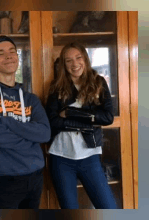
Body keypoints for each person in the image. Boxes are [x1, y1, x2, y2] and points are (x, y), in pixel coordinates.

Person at [0, 35, 51, 209]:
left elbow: (44, 133)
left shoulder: (30, 99)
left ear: (17, 58)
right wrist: (30, 141)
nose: (8, 56)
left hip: (35, 175)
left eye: (12, 51)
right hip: (4, 177)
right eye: (0, 53)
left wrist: (7, 121)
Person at [46, 42, 117, 209]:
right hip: (61, 157)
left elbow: (107, 117)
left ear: (85, 59)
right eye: (68, 60)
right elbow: (53, 121)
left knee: (109, 208)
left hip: (89, 156)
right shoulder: (57, 86)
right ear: (63, 64)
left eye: (78, 58)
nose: (74, 64)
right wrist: (88, 122)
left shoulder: (98, 82)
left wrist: (70, 113)